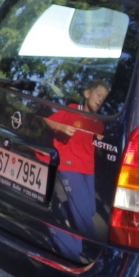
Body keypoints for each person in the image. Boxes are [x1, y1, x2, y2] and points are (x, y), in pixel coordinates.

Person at [43, 80, 108, 258]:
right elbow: (47, 120)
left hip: (88, 169)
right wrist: (62, 127)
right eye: (98, 95)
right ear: (87, 93)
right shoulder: (71, 109)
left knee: (89, 210)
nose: (100, 100)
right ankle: (93, 250)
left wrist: (101, 140)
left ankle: (60, 226)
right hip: (69, 165)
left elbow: (97, 143)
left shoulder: (98, 123)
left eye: (104, 98)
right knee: (82, 212)